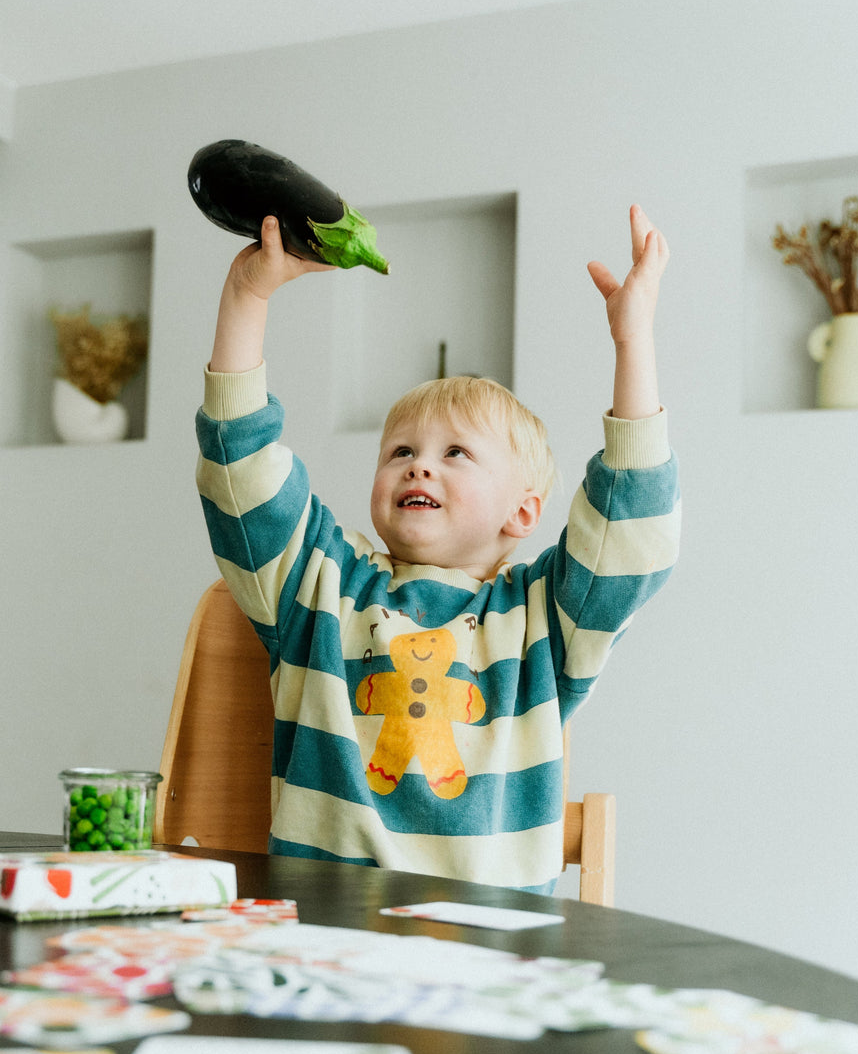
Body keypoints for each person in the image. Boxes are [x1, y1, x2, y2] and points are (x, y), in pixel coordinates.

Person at [195, 206, 679, 892]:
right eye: (400, 451)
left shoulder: (542, 620)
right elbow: (239, 470)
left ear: (523, 511)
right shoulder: (320, 586)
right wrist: (246, 296)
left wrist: (633, 342)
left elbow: (632, 529)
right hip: (326, 940)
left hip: (489, 955)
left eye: (455, 453)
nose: (419, 466)